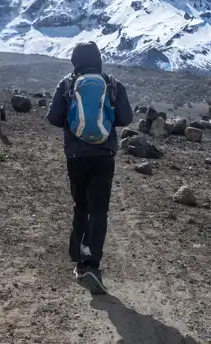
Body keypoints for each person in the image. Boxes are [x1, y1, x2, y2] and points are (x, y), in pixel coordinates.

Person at [47, 41, 133, 295]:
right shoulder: (113, 84)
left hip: (76, 155)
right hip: (104, 155)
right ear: (98, 59)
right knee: (99, 210)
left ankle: (79, 259)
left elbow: (53, 117)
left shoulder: (67, 83)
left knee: (81, 206)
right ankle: (91, 265)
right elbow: (127, 118)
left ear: (75, 60)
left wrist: (72, 123)